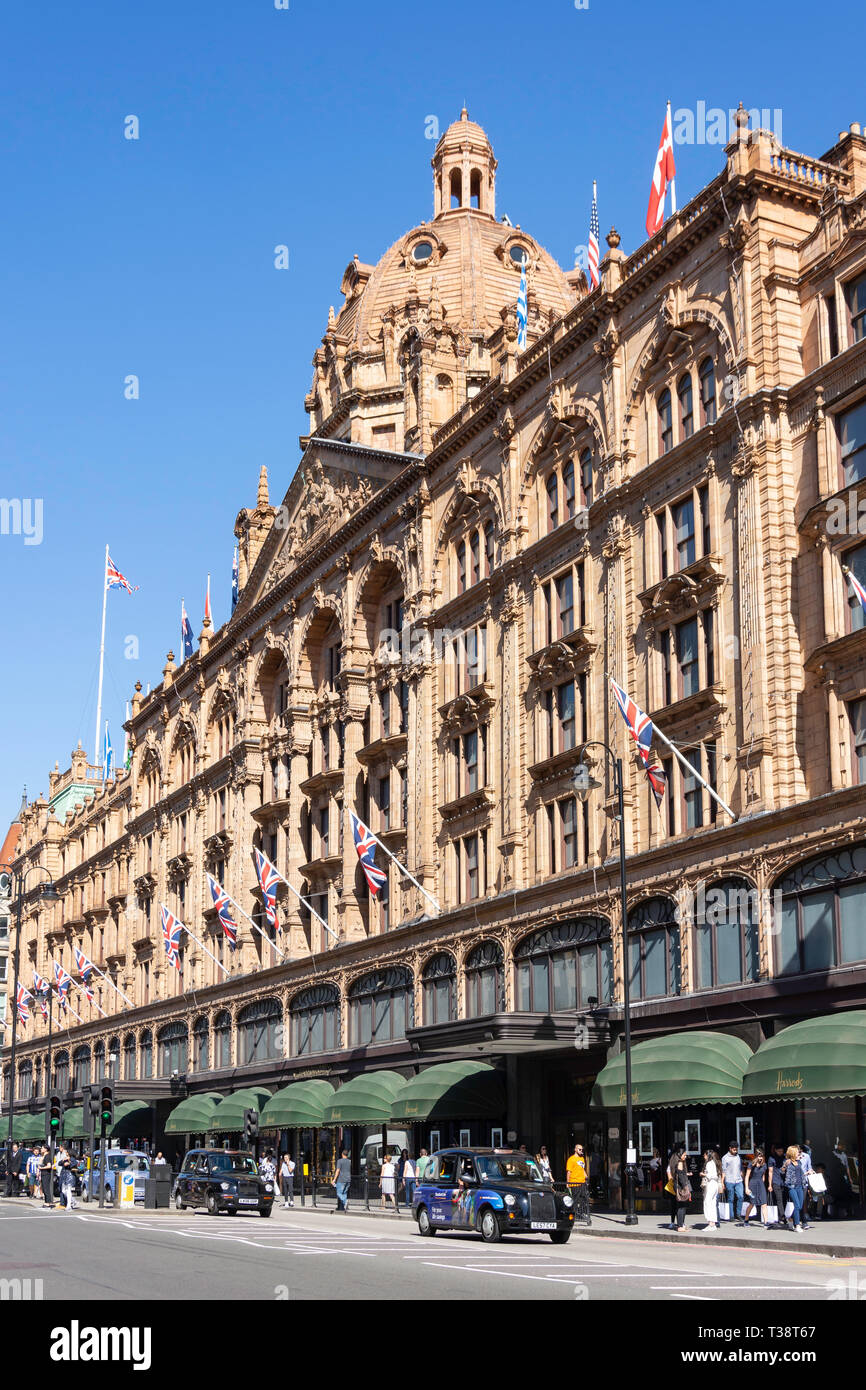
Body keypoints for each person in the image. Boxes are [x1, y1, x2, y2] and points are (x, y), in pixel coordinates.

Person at [780, 1144, 806, 1231]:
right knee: (797, 1205)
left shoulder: (799, 1162)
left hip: (800, 1186)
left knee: (800, 1206)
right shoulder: (788, 1162)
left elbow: (800, 1174)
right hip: (792, 1187)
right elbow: (782, 1172)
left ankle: (791, 1218)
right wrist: (784, 1166)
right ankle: (797, 1225)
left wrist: (808, 1172)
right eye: (797, 1153)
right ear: (793, 1153)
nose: (799, 1154)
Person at [742, 1149, 769, 1227]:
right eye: (759, 1156)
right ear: (756, 1156)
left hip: (760, 1184)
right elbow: (747, 1176)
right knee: (752, 1203)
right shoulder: (751, 1164)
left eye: (762, 1156)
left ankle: (766, 1222)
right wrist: (747, 1188)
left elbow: (763, 1175)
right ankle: (746, 1220)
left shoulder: (764, 1165)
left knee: (764, 1203)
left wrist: (762, 1183)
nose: (760, 1158)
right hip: (753, 1184)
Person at [721, 1141, 744, 1223]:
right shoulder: (725, 1158)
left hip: (739, 1180)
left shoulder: (738, 1157)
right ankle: (731, 1216)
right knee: (730, 1199)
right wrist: (722, 1182)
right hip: (729, 1180)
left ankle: (738, 1214)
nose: (735, 1150)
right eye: (734, 1148)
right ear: (730, 1148)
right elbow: (723, 1171)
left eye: (736, 1148)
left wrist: (743, 1176)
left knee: (741, 1196)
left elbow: (741, 1168)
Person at [700, 1147, 721, 1230]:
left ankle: (711, 1223)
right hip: (715, 1184)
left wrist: (703, 1174)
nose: (703, 1156)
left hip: (711, 1184)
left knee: (707, 1203)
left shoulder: (709, 1164)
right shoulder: (715, 1163)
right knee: (712, 1203)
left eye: (704, 1155)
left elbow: (710, 1175)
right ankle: (713, 1223)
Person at [672, 1147, 692, 1231]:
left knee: (682, 1206)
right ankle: (680, 1225)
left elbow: (681, 1174)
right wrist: (685, 1187)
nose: (685, 1156)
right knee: (681, 1206)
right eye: (684, 1155)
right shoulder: (680, 1163)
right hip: (680, 1187)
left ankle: (682, 1224)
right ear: (680, 1155)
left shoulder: (679, 1162)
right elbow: (680, 1176)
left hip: (679, 1186)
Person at [57, 1146, 77, 1210]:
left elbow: (74, 1164)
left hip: (70, 1175)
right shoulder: (65, 1158)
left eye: (67, 1152)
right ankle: (73, 1200)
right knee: (63, 1190)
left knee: (68, 1190)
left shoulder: (72, 1159)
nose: (66, 1153)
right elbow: (59, 1163)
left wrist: (69, 1162)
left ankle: (69, 1205)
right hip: (64, 1175)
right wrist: (63, 1160)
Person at [333, 1149, 351, 1213]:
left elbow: (338, 1170)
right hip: (348, 1179)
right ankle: (344, 1206)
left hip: (341, 1179)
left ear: (342, 1154)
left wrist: (334, 1179)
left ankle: (345, 1201)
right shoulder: (349, 1161)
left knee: (339, 1193)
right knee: (344, 1193)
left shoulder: (339, 1161)